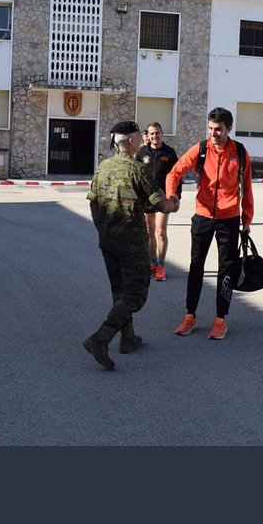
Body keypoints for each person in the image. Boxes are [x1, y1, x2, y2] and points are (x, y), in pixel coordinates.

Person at [83, 121, 179, 370]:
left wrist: (101, 229)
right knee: (135, 295)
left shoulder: (103, 167)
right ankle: (101, 338)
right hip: (132, 244)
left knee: (119, 292)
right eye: (140, 137)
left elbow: (93, 202)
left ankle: (128, 338)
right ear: (132, 141)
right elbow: (160, 204)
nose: (144, 140)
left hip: (108, 241)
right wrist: (174, 203)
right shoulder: (138, 169)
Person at [166, 107, 254, 340]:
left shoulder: (240, 153)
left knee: (226, 270)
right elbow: (174, 173)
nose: (213, 133)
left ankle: (220, 319)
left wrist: (247, 218)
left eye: (218, 129)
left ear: (229, 129)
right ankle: (190, 315)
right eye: (210, 128)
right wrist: (171, 196)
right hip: (203, 216)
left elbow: (246, 187)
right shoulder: (201, 149)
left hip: (229, 219)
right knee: (196, 266)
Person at [136, 121, 180, 281]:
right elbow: (136, 175)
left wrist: (176, 196)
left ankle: (161, 266)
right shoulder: (142, 153)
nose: (155, 136)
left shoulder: (169, 153)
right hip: (146, 198)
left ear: (162, 134)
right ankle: (152, 263)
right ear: (148, 135)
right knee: (149, 231)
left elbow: (177, 175)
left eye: (157, 133)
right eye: (152, 133)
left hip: (163, 198)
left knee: (161, 231)